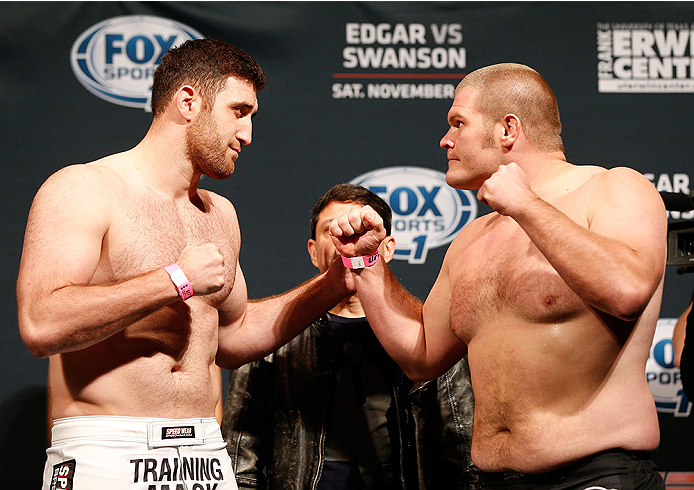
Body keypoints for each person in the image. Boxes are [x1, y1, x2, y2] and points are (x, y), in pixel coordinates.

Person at [17, 39, 351, 490]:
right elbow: (41, 323)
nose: (248, 134)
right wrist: (174, 279)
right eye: (239, 111)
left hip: (204, 455)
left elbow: (231, 337)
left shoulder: (220, 213)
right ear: (188, 101)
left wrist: (336, 281)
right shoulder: (83, 188)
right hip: (111, 448)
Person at [328, 63, 668, 489]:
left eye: (458, 123)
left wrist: (525, 205)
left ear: (508, 129)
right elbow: (422, 355)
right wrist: (368, 264)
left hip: (594, 474)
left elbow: (627, 290)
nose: (445, 139)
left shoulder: (615, 189)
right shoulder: (471, 239)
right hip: (492, 480)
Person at [222, 183, 413, 490]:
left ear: (387, 248)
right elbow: (239, 460)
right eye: (333, 230)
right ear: (313, 250)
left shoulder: (421, 332)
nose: (348, 239)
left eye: (360, 228)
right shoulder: (269, 335)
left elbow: (455, 445)